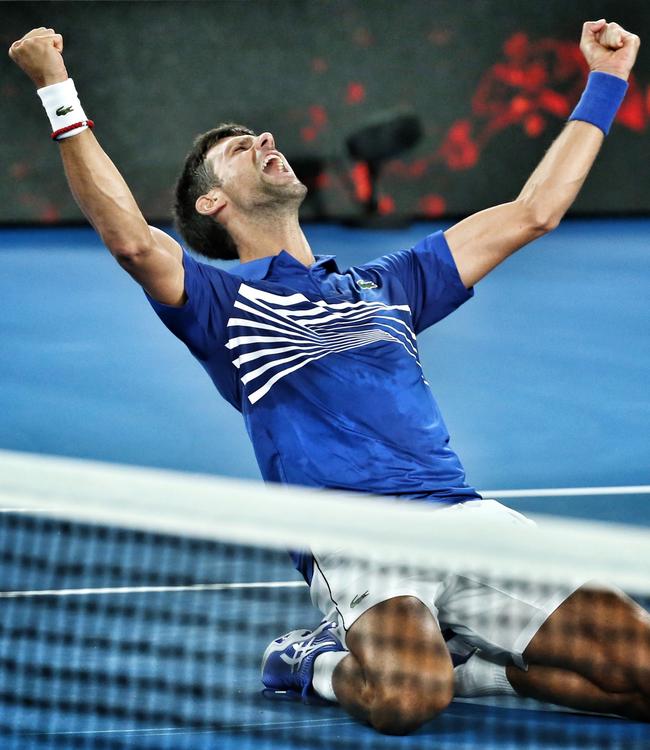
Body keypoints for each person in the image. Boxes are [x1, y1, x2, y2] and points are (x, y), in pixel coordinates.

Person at [9, 19, 648, 736]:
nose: (265, 142)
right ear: (211, 204)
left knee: (642, 674)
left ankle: (479, 668)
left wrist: (607, 80)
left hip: (463, 517)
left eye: (262, 137)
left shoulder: (394, 284)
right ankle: (308, 661)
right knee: (409, 699)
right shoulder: (224, 307)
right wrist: (56, 89)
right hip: (353, 531)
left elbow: (536, 212)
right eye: (239, 150)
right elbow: (130, 238)